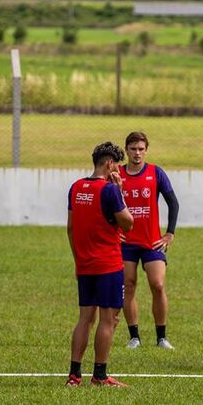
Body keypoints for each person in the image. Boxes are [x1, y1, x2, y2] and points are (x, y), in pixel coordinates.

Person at [66, 142, 134, 387]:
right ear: (109, 164)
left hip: (84, 264)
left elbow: (71, 229)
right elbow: (128, 223)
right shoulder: (109, 190)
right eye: (117, 164)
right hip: (108, 265)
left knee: (85, 318)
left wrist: (77, 261)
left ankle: (74, 375)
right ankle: (100, 376)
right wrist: (120, 190)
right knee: (109, 319)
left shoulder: (76, 187)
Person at [119, 131, 180, 350]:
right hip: (125, 243)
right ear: (126, 150)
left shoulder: (156, 173)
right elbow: (103, 205)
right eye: (133, 149)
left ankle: (161, 337)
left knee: (158, 284)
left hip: (152, 241)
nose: (137, 153)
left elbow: (173, 203)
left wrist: (169, 233)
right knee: (129, 285)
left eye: (141, 149)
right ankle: (134, 336)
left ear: (146, 150)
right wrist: (113, 231)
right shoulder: (116, 174)